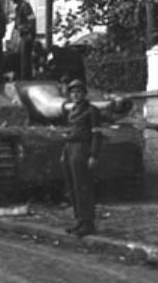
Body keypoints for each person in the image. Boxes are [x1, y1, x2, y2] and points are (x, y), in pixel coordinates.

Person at [61, 79, 101, 237]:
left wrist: (93, 155)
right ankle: (79, 220)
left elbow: (97, 134)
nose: (75, 95)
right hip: (70, 149)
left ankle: (88, 223)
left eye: (78, 92)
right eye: (72, 93)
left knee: (83, 186)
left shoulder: (92, 111)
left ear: (84, 94)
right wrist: (64, 153)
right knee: (73, 187)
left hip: (82, 149)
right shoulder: (72, 110)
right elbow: (69, 131)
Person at [7, 0, 36, 80]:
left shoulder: (25, 6)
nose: (11, 0)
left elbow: (32, 19)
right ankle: (19, 75)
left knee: (25, 56)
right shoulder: (18, 7)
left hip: (26, 34)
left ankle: (26, 77)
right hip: (20, 35)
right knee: (18, 56)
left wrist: (28, 31)